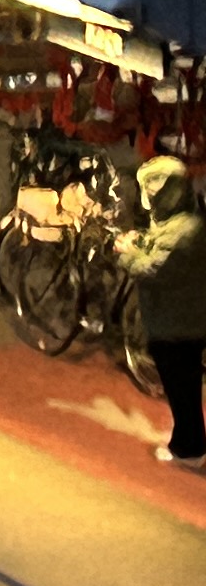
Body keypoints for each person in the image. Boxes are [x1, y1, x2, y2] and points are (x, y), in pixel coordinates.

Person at [117, 155, 206, 467]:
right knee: (183, 386)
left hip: (178, 324)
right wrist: (139, 243)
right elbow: (158, 250)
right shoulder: (181, 221)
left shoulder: (185, 230)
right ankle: (188, 441)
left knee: (182, 388)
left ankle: (190, 448)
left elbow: (154, 268)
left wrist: (128, 254)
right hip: (177, 320)